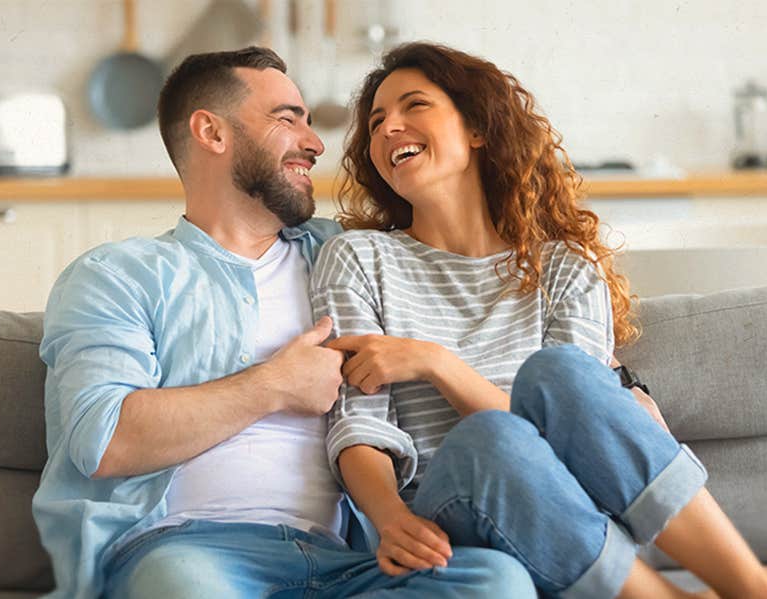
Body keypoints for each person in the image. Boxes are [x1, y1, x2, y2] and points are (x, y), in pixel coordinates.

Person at [310, 42, 767, 599]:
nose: (387, 128)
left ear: (478, 128)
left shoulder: (564, 265)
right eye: (377, 119)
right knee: (490, 436)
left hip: (568, 510)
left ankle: (752, 588)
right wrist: (387, 519)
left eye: (415, 106)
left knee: (562, 373)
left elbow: (576, 430)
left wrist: (438, 364)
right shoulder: (358, 258)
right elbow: (358, 423)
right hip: (444, 508)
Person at [31, 46, 534, 599]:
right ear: (211, 132)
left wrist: (619, 382)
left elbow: (480, 304)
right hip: (186, 551)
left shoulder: (349, 257)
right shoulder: (118, 275)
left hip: (346, 563)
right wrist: (274, 386)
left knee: (496, 582)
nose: (316, 144)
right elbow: (101, 441)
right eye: (287, 118)